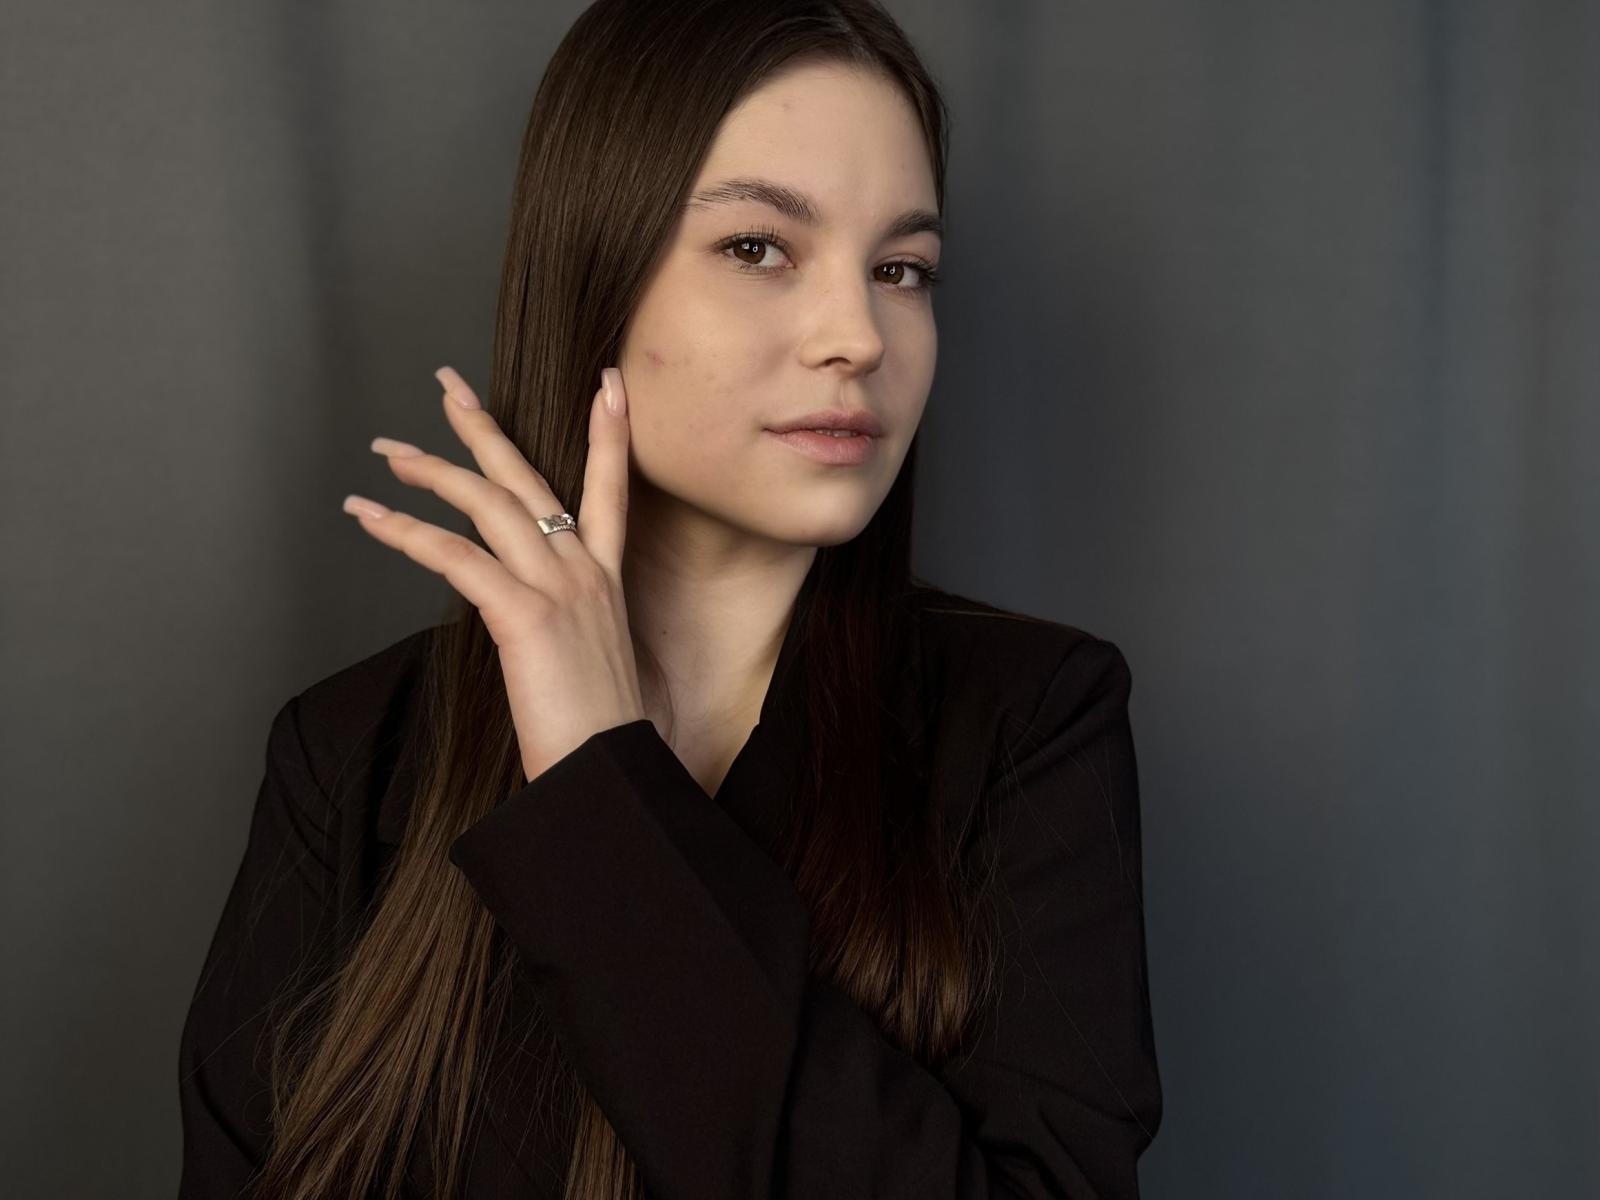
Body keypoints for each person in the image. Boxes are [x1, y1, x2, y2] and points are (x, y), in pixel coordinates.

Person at [176, 1, 1163, 1196]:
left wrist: (603, 782)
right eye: (759, 247)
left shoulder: (1024, 722)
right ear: (598, 272)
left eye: (902, 269)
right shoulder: (352, 753)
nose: (858, 333)